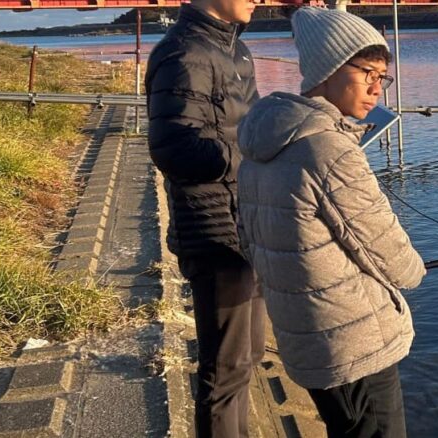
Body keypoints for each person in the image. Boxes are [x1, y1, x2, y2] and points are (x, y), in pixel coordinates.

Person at [235, 8, 425, 438]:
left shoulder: (260, 143)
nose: (378, 88)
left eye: (384, 77)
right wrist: (417, 271)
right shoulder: (329, 150)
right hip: (353, 342)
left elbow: (251, 241)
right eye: (369, 73)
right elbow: (388, 250)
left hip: (305, 336)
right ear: (330, 68)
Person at [144, 0, 263, 436]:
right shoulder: (185, 52)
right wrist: (255, 157)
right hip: (214, 232)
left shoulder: (235, 50)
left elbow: (248, 127)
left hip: (249, 223)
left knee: (249, 356)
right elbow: (173, 148)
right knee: (226, 369)